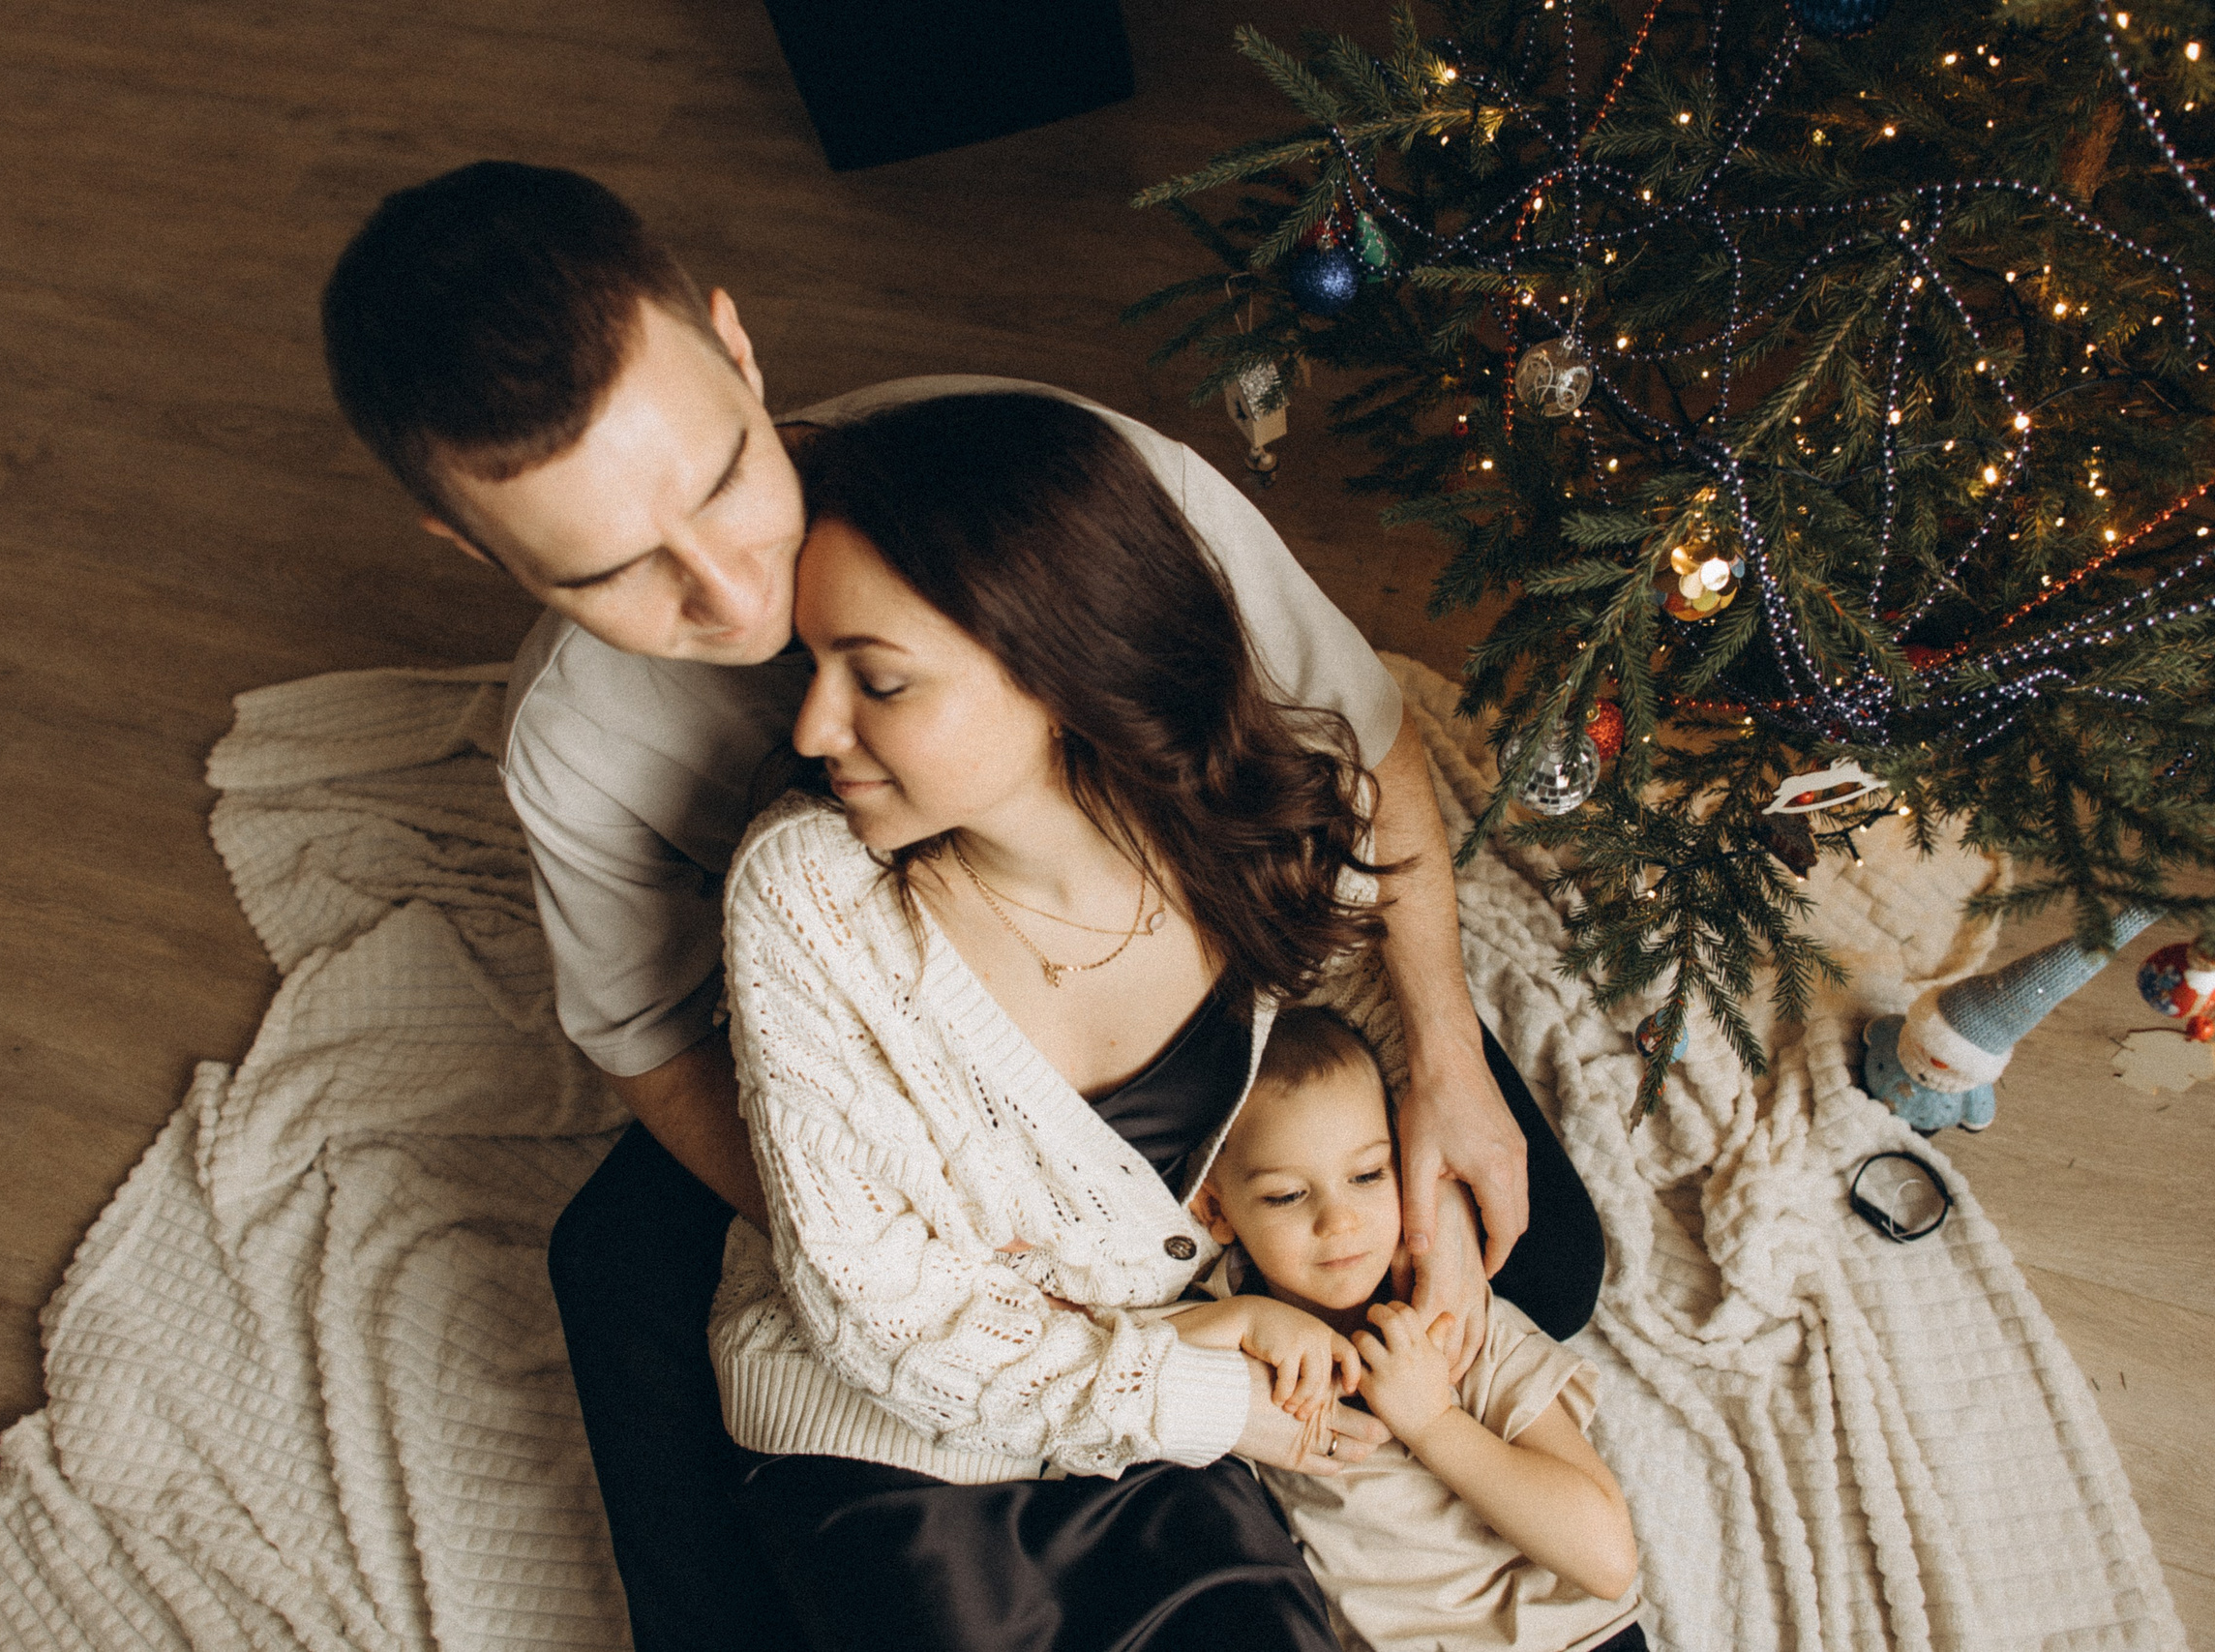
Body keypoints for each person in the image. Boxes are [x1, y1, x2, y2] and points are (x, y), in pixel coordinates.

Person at [317, 161, 1606, 1649]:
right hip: (857, 1060)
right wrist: (931, 1258)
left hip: (1129, 1000)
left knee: (1539, 1259)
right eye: (616, 569)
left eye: (723, 480)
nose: (732, 588)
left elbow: (1359, 753)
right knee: (645, 1308)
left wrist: (1443, 1058)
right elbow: (649, 1036)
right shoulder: (598, 753)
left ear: (737, 349)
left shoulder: (1066, 495)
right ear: (479, 552)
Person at [709, 389, 1610, 1651]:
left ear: (1058, 666)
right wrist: (1207, 1390)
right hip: (905, 1454)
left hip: (1180, 1407)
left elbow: (1356, 979)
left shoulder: (1231, 810)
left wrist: (1432, 1214)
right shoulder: (812, 897)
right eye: (813, 667)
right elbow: (886, 1321)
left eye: (881, 678)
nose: (814, 726)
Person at [1181, 1006, 1645, 1652]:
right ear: (1215, 1208)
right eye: (1287, 1194)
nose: (1339, 1221)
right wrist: (1243, 1318)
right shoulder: (1228, 1331)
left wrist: (1435, 1422)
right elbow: (1123, 1366)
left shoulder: (1457, 1328)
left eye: (1368, 1175)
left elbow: (1608, 1560)